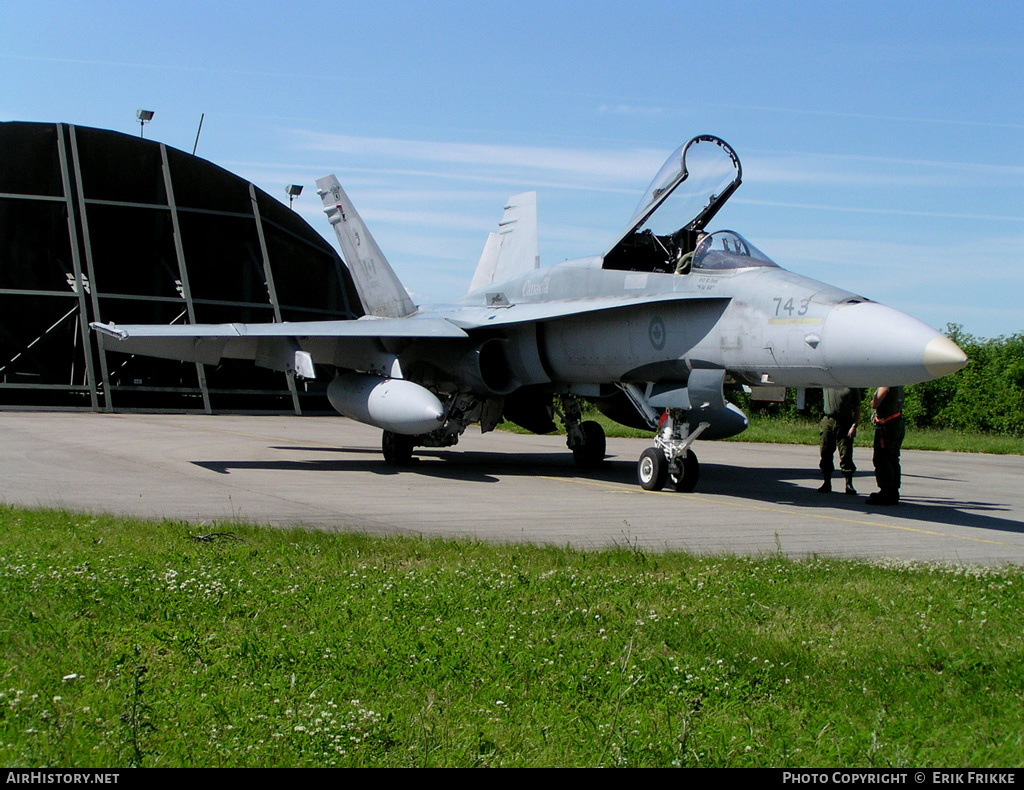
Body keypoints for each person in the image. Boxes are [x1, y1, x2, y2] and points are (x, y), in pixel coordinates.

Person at [818, 387, 862, 494]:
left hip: (845, 421)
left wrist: (855, 425)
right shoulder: (828, 383)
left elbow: (857, 408)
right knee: (825, 451)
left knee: (846, 453)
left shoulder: (852, 386)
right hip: (828, 420)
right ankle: (826, 482)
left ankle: (849, 483)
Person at [867, 386, 905, 505]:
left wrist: (874, 399)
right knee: (893, 458)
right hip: (897, 422)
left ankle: (885, 492)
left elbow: (875, 403)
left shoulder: (886, 383)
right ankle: (893, 491)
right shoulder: (899, 384)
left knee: (882, 458)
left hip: (887, 426)